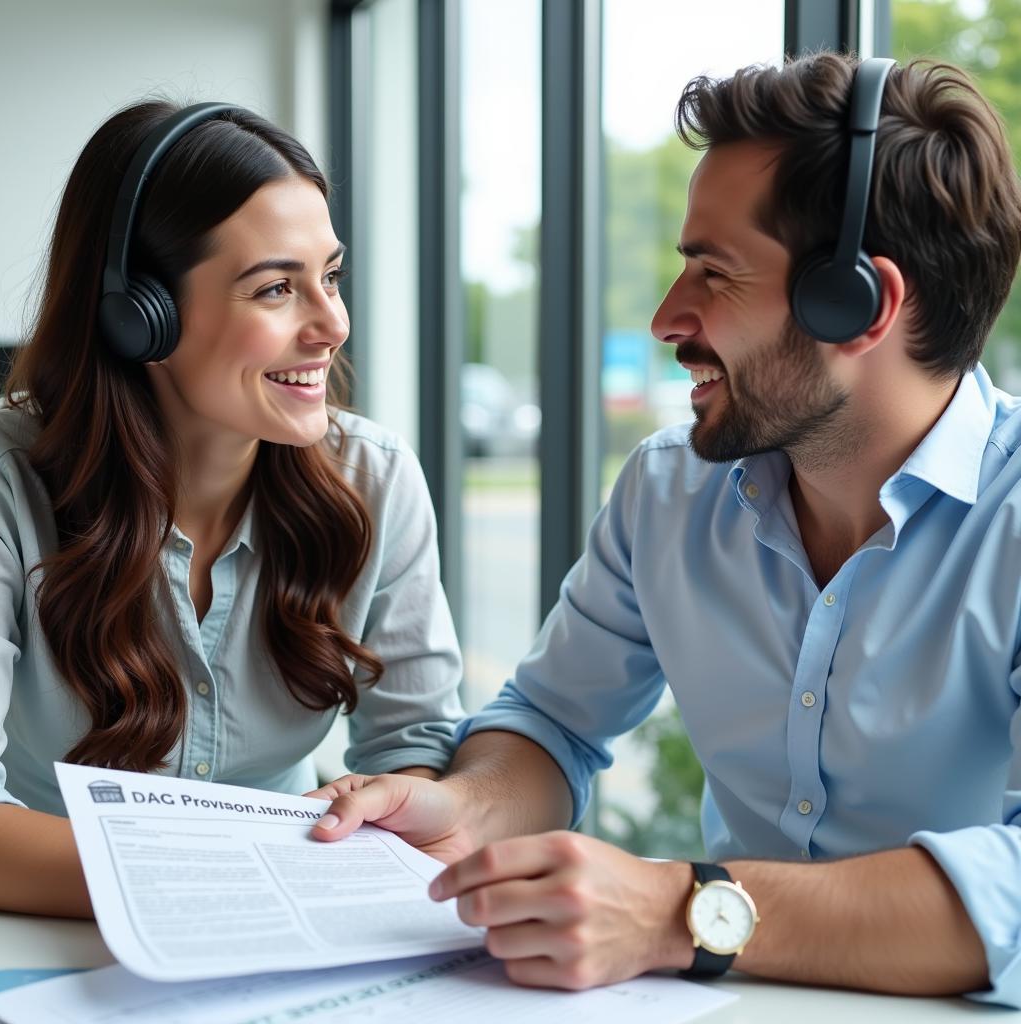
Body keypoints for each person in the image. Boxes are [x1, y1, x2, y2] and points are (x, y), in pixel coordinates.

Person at [310, 51, 1021, 1006]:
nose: (665, 317)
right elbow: (554, 722)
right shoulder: (671, 488)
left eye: (713, 273)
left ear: (858, 304)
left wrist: (677, 912)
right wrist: (463, 805)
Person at [0, 101, 464, 918]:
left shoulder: (374, 478)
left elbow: (417, 752)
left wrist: (386, 807)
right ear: (141, 316)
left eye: (332, 276)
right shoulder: (9, 485)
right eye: (277, 288)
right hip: (56, 934)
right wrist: (233, 883)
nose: (332, 325)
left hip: (289, 923)